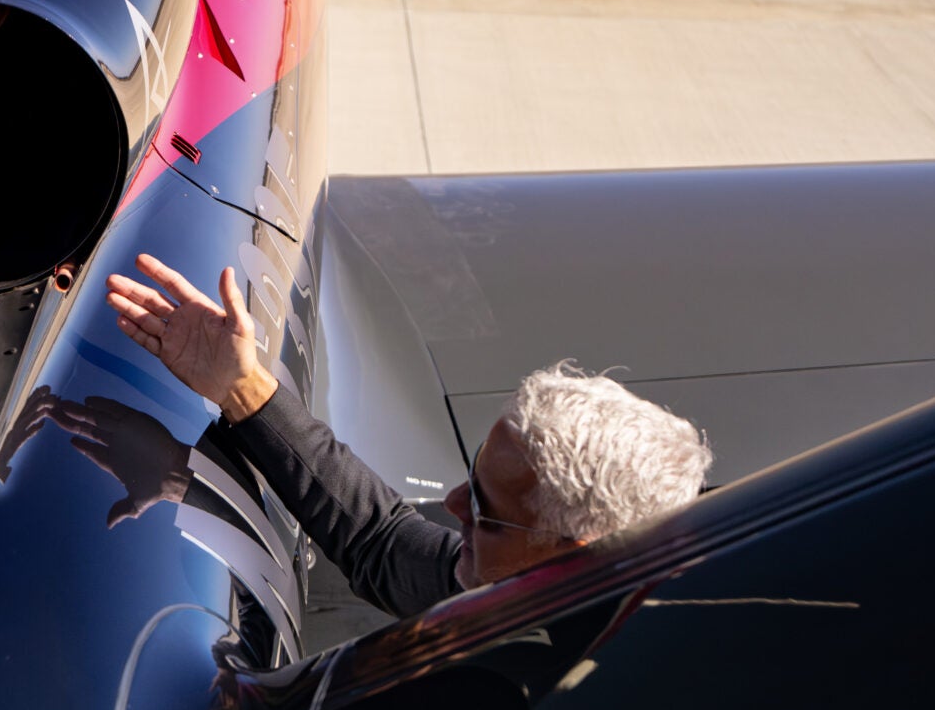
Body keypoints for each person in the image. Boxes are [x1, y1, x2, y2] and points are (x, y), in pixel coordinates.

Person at [106, 254, 711, 618]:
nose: (450, 506)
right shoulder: (521, 568)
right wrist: (245, 390)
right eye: (472, 478)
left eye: (485, 509)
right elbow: (383, 543)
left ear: (575, 553)